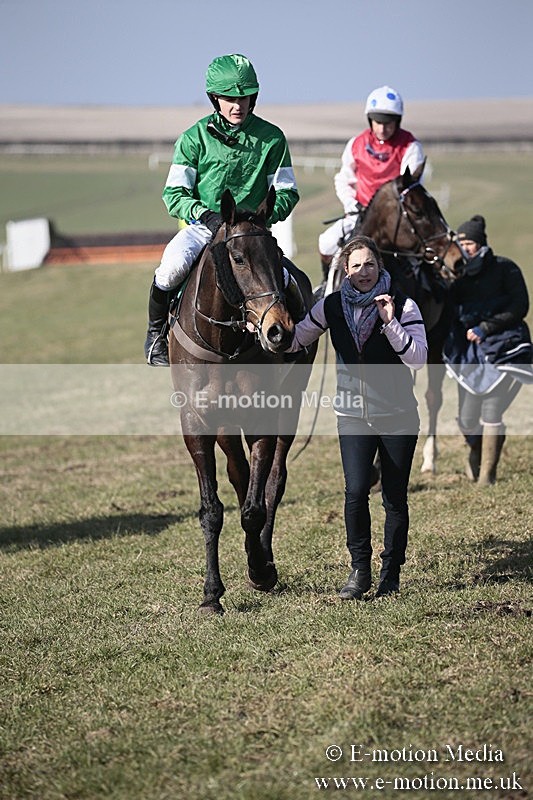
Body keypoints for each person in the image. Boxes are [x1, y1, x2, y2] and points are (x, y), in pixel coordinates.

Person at [288, 234, 427, 599]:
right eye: (356, 266)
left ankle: (390, 574)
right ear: (344, 271)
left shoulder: (404, 304)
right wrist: (264, 333)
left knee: (394, 498)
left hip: (398, 414)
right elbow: (297, 338)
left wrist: (390, 323)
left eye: (369, 265)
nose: (363, 272)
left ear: (379, 266)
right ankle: (359, 571)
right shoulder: (330, 306)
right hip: (352, 413)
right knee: (355, 491)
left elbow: (418, 358)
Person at [144, 53, 300, 366]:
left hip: (252, 231)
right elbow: (174, 193)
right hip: (202, 227)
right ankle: (156, 336)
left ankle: (299, 344)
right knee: (171, 268)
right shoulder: (193, 138)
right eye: (229, 98)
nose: (237, 105)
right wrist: (205, 215)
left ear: (254, 98)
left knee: (288, 282)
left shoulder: (272, 139)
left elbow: (287, 191)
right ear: (214, 98)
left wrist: (261, 218)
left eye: (244, 98)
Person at [443, 215, 531, 485]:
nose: (465, 247)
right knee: (468, 417)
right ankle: (476, 450)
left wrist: (486, 327)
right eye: (462, 242)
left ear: (480, 243)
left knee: (492, 410)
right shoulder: (457, 277)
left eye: (469, 242)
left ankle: (487, 476)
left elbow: (520, 306)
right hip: (470, 354)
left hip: (506, 345)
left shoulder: (506, 268)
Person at [318, 86, 425, 284]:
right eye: (378, 123)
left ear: (398, 121)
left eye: (389, 123)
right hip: (361, 213)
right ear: (370, 120)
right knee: (326, 242)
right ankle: (326, 289)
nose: (383, 129)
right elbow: (343, 179)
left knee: (423, 251)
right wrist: (351, 205)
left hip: (398, 218)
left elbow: (411, 187)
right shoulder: (356, 144)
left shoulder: (411, 146)